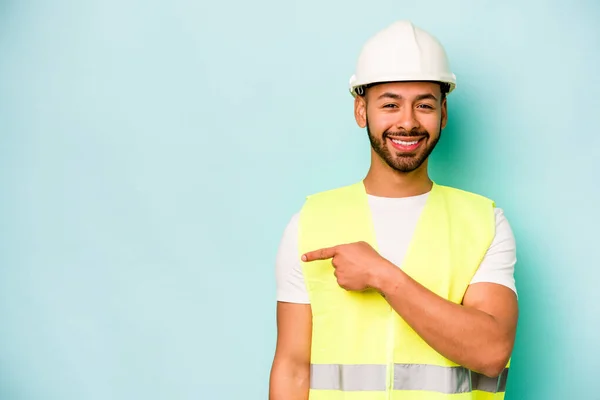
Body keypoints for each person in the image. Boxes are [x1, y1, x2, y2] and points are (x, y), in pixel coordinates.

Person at [269, 20, 518, 400]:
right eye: (390, 104)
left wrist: (383, 276)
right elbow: (291, 369)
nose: (407, 122)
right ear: (360, 110)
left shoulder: (484, 223)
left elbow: (491, 353)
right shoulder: (311, 223)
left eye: (424, 105)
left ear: (443, 113)